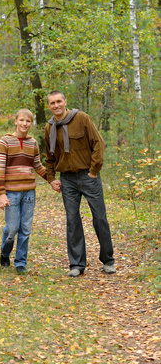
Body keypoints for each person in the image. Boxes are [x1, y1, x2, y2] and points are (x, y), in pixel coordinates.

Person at [44, 91, 115, 277]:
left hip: (88, 176)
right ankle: (76, 264)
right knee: (72, 221)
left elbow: (99, 144)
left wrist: (94, 171)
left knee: (99, 218)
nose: (56, 105)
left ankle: (108, 260)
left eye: (59, 101)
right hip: (67, 180)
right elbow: (49, 156)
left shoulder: (81, 118)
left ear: (65, 102)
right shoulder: (49, 127)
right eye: (52, 103)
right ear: (49, 106)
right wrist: (51, 178)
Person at [0, 109, 48, 274]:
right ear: (16, 121)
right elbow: (0, 169)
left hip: (29, 193)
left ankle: (20, 262)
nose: (24, 124)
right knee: (12, 229)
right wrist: (2, 193)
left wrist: (52, 179)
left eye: (28, 121)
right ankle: (5, 253)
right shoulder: (5, 141)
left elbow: (38, 166)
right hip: (11, 192)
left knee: (25, 229)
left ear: (31, 123)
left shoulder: (32, 143)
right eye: (22, 120)